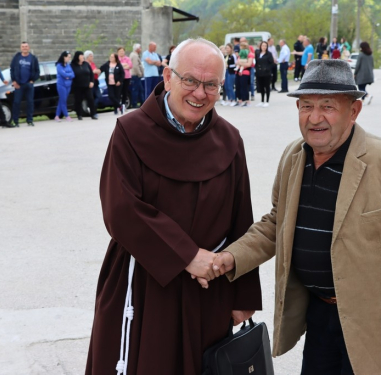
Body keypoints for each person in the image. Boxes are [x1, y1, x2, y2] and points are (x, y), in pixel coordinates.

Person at [211, 59, 381, 375]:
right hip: (319, 313)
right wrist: (231, 258)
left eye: (328, 107)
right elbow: (277, 222)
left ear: (354, 110)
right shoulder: (294, 156)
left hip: (372, 323)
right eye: (306, 106)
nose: (314, 118)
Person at [85, 37, 261, 375]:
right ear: (167, 77)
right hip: (145, 286)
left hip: (210, 288)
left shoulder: (229, 139)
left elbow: (242, 218)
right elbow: (120, 209)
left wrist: (244, 295)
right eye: (190, 80)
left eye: (211, 85)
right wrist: (187, 256)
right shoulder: (130, 131)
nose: (199, 93)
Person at [10, 41, 40, 127]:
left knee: (30, 102)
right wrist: (14, 81)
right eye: (23, 46)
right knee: (16, 103)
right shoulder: (16, 58)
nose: (24, 48)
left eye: (26, 46)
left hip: (29, 84)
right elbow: (12, 69)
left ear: (29, 48)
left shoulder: (33, 58)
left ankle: (29, 120)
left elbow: (37, 71)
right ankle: (15, 121)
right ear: (21, 48)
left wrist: (33, 80)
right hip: (19, 85)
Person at [70, 51, 97, 120]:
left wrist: (92, 81)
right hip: (77, 86)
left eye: (83, 55)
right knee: (78, 100)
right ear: (77, 56)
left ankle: (93, 114)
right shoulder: (72, 65)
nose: (83, 57)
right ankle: (79, 114)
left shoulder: (86, 64)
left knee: (90, 99)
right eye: (81, 55)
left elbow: (91, 74)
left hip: (87, 86)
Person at [54, 51, 74, 122]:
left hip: (68, 85)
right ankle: (66, 115)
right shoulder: (59, 65)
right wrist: (68, 75)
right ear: (64, 57)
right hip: (61, 85)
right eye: (68, 57)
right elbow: (63, 74)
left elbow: (73, 74)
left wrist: (68, 75)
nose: (69, 59)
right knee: (63, 100)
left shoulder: (68, 65)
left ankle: (57, 115)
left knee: (62, 100)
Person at [254, 41, 274, 107]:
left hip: (266, 73)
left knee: (267, 87)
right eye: (263, 46)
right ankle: (262, 101)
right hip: (259, 73)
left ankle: (267, 101)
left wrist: (267, 69)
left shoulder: (269, 54)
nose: (264, 47)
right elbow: (256, 62)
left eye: (265, 46)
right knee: (261, 87)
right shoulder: (257, 53)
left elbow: (271, 63)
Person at [235, 41, 254, 107]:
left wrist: (240, 64)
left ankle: (246, 100)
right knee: (238, 86)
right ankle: (240, 100)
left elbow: (249, 64)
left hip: (245, 72)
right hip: (238, 71)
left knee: (244, 87)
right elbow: (237, 62)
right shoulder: (241, 54)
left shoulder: (249, 54)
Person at [117, 47, 132, 112]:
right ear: (118, 52)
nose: (122, 52)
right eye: (120, 51)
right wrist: (124, 65)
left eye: (123, 51)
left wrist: (122, 66)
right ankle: (118, 105)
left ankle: (123, 105)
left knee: (125, 92)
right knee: (118, 92)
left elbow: (130, 66)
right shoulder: (116, 59)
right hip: (119, 78)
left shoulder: (127, 58)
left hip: (127, 77)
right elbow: (117, 66)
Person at [129, 43, 144, 108]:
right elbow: (135, 66)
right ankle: (134, 103)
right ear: (137, 49)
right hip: (135, 75)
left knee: (140, 89)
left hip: (135, 75)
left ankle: (142, 102)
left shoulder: (133, 55)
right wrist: (139, 73)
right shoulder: (134, 55)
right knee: (136, 89)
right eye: (140, 48)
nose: (140, 49)